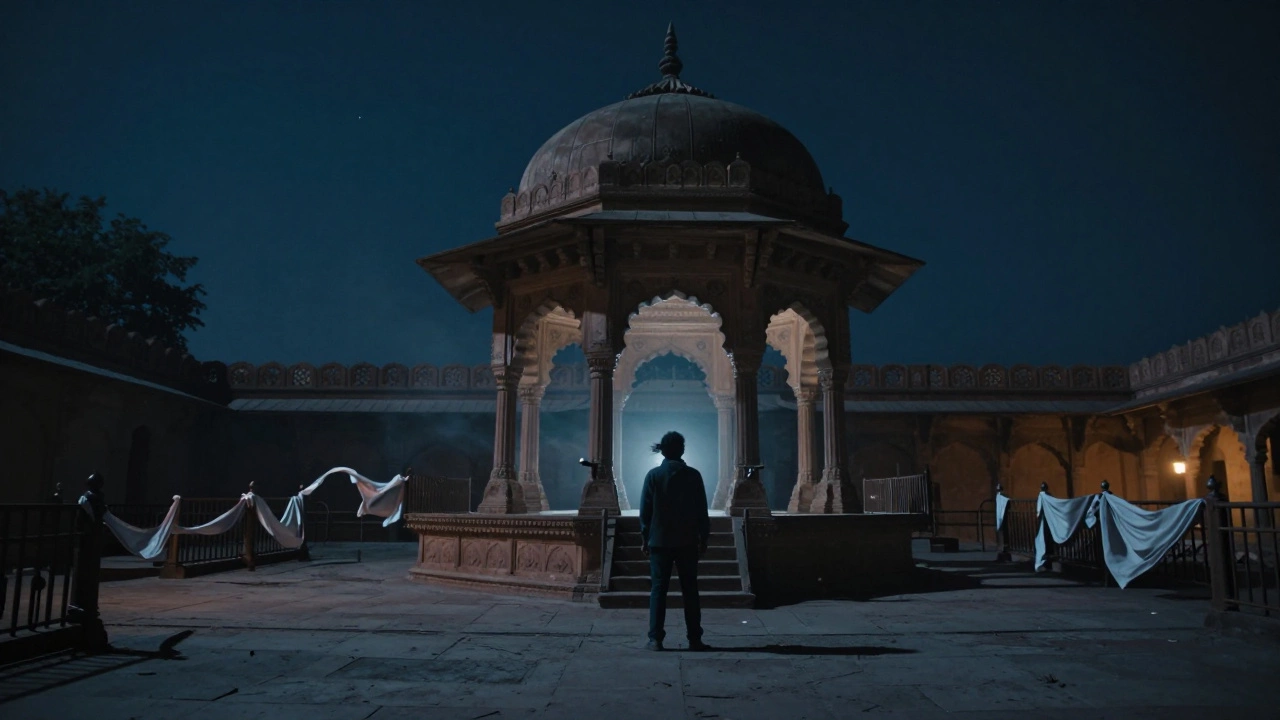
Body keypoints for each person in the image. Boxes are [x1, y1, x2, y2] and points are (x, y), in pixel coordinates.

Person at [639, 431, 711, 651]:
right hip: (687, 540)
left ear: (664, 450)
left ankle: (655, 639)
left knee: (658, 591)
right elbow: (701, 511)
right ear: (681, 449)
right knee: (690, 590)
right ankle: (694, 639)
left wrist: (645, 538)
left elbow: (646, 513)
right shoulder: (693, 475)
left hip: (660, 541)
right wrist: (703, 537)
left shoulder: (653, 476)